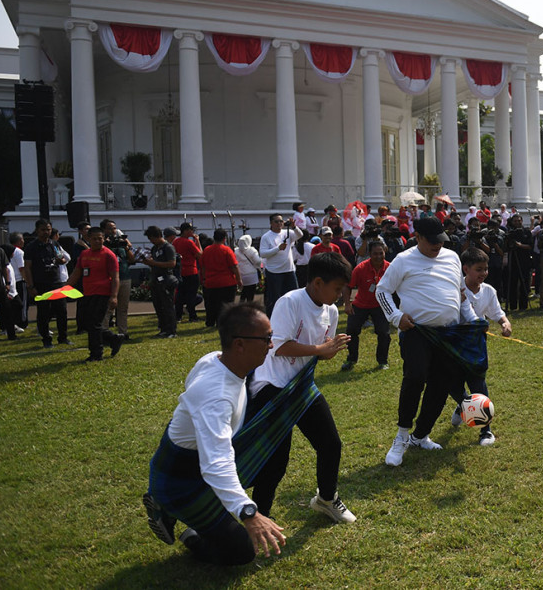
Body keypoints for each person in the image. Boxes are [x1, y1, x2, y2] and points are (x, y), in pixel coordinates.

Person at [143, 304, 288, 565]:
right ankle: (182, 524)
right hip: (180, 483)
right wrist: (247, 512)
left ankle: (249, 517)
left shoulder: (216, 359)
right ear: (240, 345)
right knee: (242, 553)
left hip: (195, 464)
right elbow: (216, 463)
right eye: (266, 338)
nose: (271, 344)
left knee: (273, 455)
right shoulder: (216, 396)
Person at [247, 253, 355, 524]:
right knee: (275, 461)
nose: (340, 296)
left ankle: (326, 500)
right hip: (273, 388)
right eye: (337, 289)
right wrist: (320, 349)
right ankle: (262, 517)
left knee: (330, 444)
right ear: (318, 282)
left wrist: (326, 352)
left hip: (302, 388)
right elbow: (280, 346)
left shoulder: (330, 310)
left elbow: (316, 352)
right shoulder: (290, 302)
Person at [377, 216, 479, 467]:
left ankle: (420, 435)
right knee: (415, 377)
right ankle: (401, 436)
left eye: (441, 241)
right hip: (417, 332)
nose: (438, 246)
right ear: (418, 237)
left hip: (448, 333)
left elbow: (461, 294)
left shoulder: (452, 257)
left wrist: (473, 320)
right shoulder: (403, 260)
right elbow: (382, 290)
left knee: (441, 385)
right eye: (432, 241)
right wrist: (396, 316)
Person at [451, 247, 512, 446]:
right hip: (454, 342)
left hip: (476, 345)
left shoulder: (489, 290)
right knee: (451, 382)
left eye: (486, 269)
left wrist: (504, 323)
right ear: (466, 269)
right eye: (479, 269)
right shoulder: (456, 289)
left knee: (479, 384)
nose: (484, 273)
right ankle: (464, 404)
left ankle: (486, 431)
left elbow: (496, 312)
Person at [66, 226, 125, 362]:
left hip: (102, 293)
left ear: (104, 239)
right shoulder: (84, 254)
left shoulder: (108, 255)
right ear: (88, 239)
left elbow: (115, 277)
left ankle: (96, 353)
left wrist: (114, 296)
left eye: (100, 239)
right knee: (88, 323)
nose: (98, 241)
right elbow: (77, 272)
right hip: (88, 293)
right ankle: (113, 338)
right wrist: (66, 286)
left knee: (94, 323)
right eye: (94, 239)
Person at [340, 240, 392, 372]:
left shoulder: (390, 268)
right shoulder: (360, 268)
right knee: (351, 331)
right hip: (360, 304)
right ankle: (351, 359)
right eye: (375, 254)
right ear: (369, 254)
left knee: (384, 333)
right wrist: (347, 304)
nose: (379, 256)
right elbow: (348, 286)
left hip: (380, 305)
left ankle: (382, 361)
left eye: (381, 253)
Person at [22, 218, 70, 348]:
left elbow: (63, 258)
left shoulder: (54, 244)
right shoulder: (31, 247)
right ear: (37, 230)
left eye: (48, 229)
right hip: (40, 283)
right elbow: (27, 267)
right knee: (43, 312)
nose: (46, 232)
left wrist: (61, 260)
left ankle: (63, 337)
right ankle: (46, 339)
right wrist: (30, 285)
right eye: (43, 230)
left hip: (56, 282)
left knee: (61, 311)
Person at [259, 213, 302, 316]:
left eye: (281, 221)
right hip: (274, 272)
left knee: (294, 296)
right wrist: (278, 248)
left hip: (289, 270)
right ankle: (272, 319)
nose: (279, 223)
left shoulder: (287, 233)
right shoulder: (266, 237)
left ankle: (293, 316)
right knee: (275, 298)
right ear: (271, 223)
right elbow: (263, 254)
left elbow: (300, 235)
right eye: (276, 221)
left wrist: (294, 226)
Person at [99, 219, 135, 339]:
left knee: (123, 307)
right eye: (110, 228)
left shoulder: (121, 243)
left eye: (114, 228)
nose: (113, 231)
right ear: (104, 230)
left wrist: (125, 246)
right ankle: (104, 332)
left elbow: (131, 259)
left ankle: (123, 332)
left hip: (124, 276)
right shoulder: (102, 245)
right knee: (108, 307)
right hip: (110, 279)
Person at [142, 226, 178, 338]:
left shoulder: (168, 247)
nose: (151, 241)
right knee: (159, 306)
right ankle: (163, 328)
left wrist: (153, 263)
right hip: (156, 280)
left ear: (157, 236)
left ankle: (171, 330)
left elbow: (172, 263)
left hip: (166, 279)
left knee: (167, 306)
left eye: (151, 238)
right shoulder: (155, 248)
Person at [202, 229, 240, 328]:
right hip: (227, 282)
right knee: (227, 305)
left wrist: (203, 279)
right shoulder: (227, 250)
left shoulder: (207, 250)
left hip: (211, 282)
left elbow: (203, 266)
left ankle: (210, 322)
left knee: (212, 304)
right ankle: (224, 322)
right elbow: (234, 266)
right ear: (224, 238)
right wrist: (239, 280)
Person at [172, 222, 203, 323]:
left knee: (180, 295)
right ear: (185, 231)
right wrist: (197, 240)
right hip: (191, 271)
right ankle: (192, 316)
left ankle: (178, 316)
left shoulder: (175, 242)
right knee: (191, 295)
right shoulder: (189, 242)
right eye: (191, 230)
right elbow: (199, 254)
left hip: (180, 271)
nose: (192, 232)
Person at [504, 214, 532, 311]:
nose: (517, 222)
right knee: (512, 283)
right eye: (515, 221)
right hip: (513, 260)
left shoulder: (527, 232)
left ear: (522, 221)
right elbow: (506, 247)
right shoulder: (510, 232)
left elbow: (530, 246)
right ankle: (512, 305)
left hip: (524, 260)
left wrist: (520, 245)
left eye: (519, 220)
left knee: (524, 282)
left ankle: (523, 305)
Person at [235, 235, 262, 304]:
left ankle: (241, 307)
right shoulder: (251, 250)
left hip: (241, 275)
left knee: (243, 293)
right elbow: (258, 261)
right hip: (251, 275)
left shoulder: (236, 251)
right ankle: (249, 307)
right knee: (250, 294)